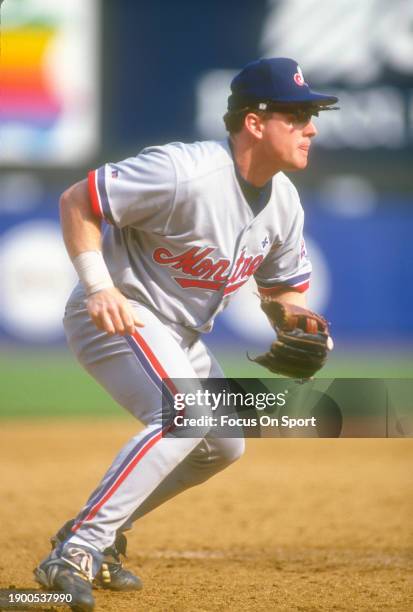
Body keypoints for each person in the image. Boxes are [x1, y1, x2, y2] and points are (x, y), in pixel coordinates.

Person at [34, 57, 338, 611]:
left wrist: (299, 326)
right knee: (185, 418)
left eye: (311, 115)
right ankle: (78, 551)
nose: (311, 127)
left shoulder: (284, 202)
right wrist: (100, 286)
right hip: (120, 311)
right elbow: (79, 200)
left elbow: (282, 289)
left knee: (223, 445)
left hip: (181, 334)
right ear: (254, 122)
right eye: (297, 115)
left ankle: (92, 533)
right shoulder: (186, 171)